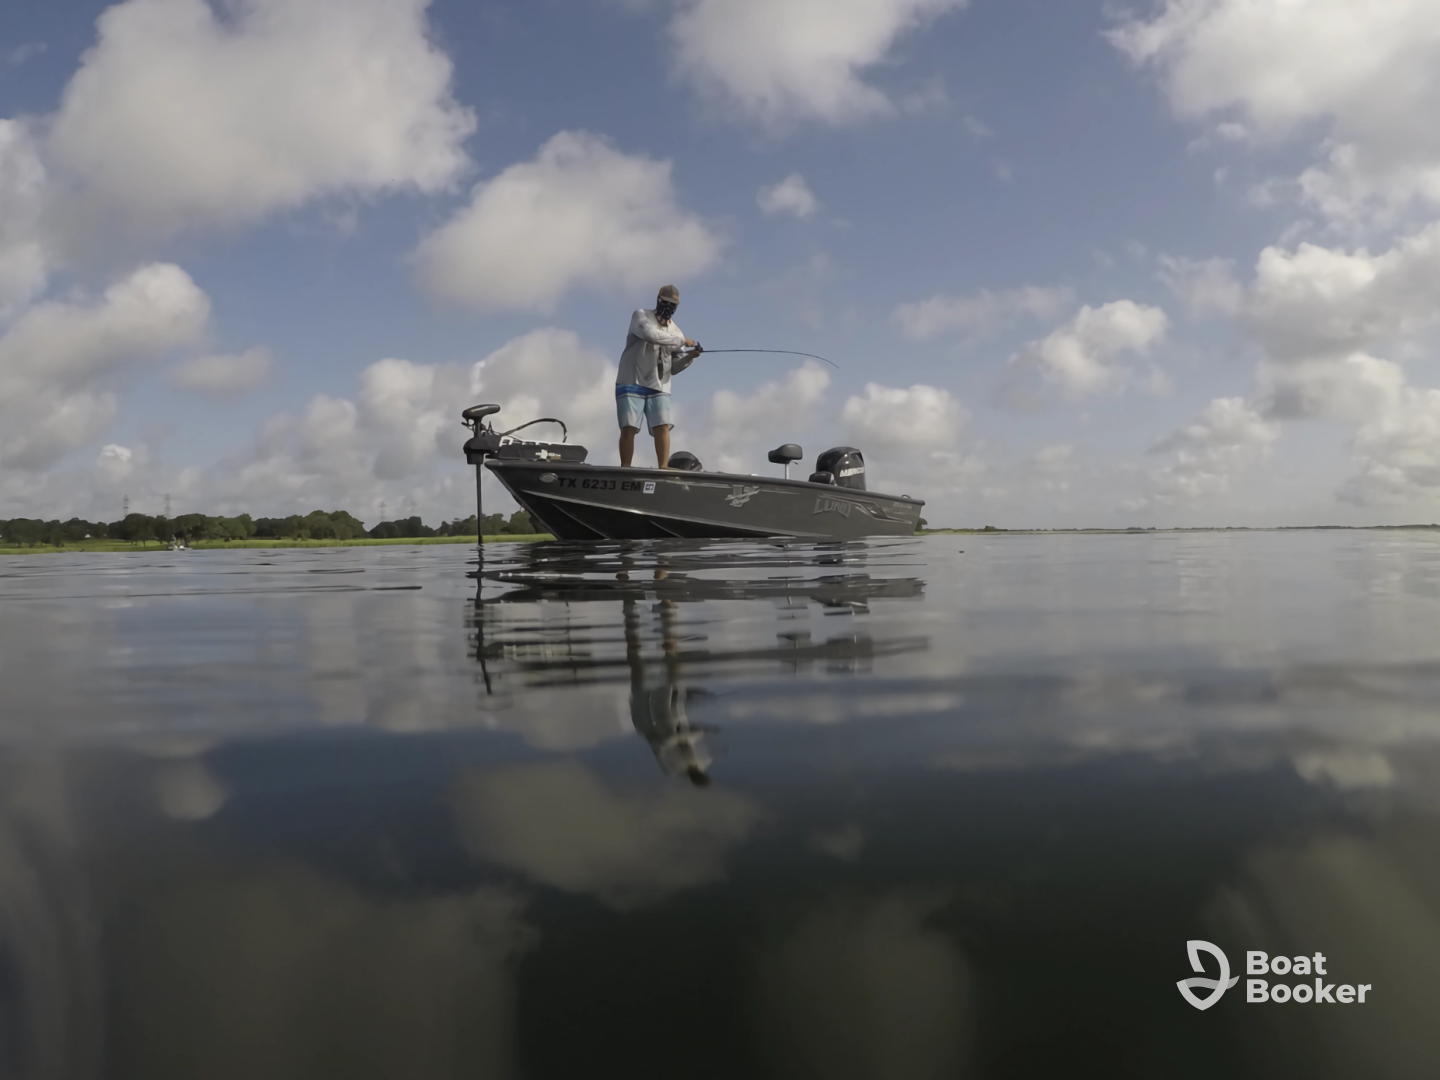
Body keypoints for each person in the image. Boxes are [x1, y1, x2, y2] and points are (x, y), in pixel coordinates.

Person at [615, 284, 703, 468]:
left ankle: (663, 467)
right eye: (665, 302)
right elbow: (650, 335)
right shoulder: (640, 316)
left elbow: (674, 368)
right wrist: (682, 341)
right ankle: (625, 467)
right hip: (631, 380)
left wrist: (690, 357)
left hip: (660, 385)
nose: (668, 307)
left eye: (672, 304)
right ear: (658, 300)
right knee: (629, 428)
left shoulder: (676, 331)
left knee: (662, 426)